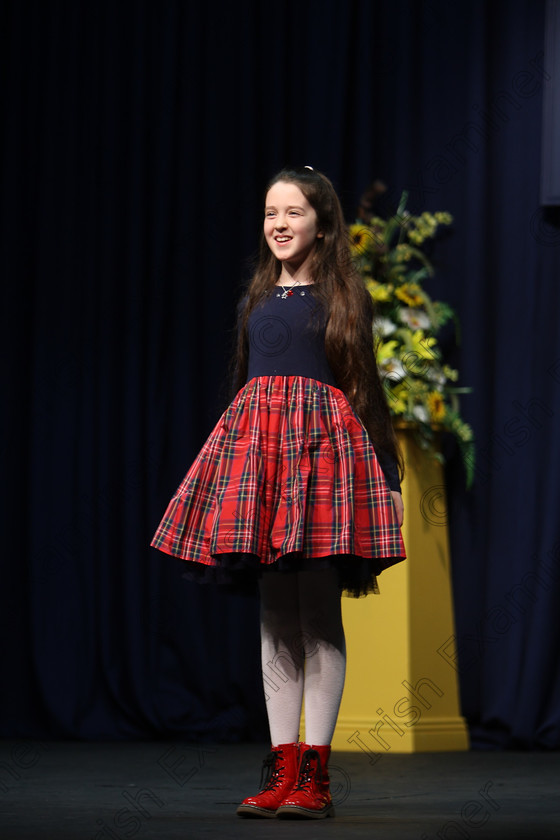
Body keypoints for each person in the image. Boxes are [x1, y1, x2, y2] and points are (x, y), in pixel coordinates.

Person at [151, 166, 406, 820]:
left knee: (317, 612)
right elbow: (247, 381)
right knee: (274, 617)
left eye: (294, 212)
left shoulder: (344, 299)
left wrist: (387, 474)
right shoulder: (258, 300)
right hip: (263, 458)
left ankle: (315, 775)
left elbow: (364, 389)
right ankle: (282, 766)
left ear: (322, 222)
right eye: (271, 212)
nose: (280, 224)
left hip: (320, 460)